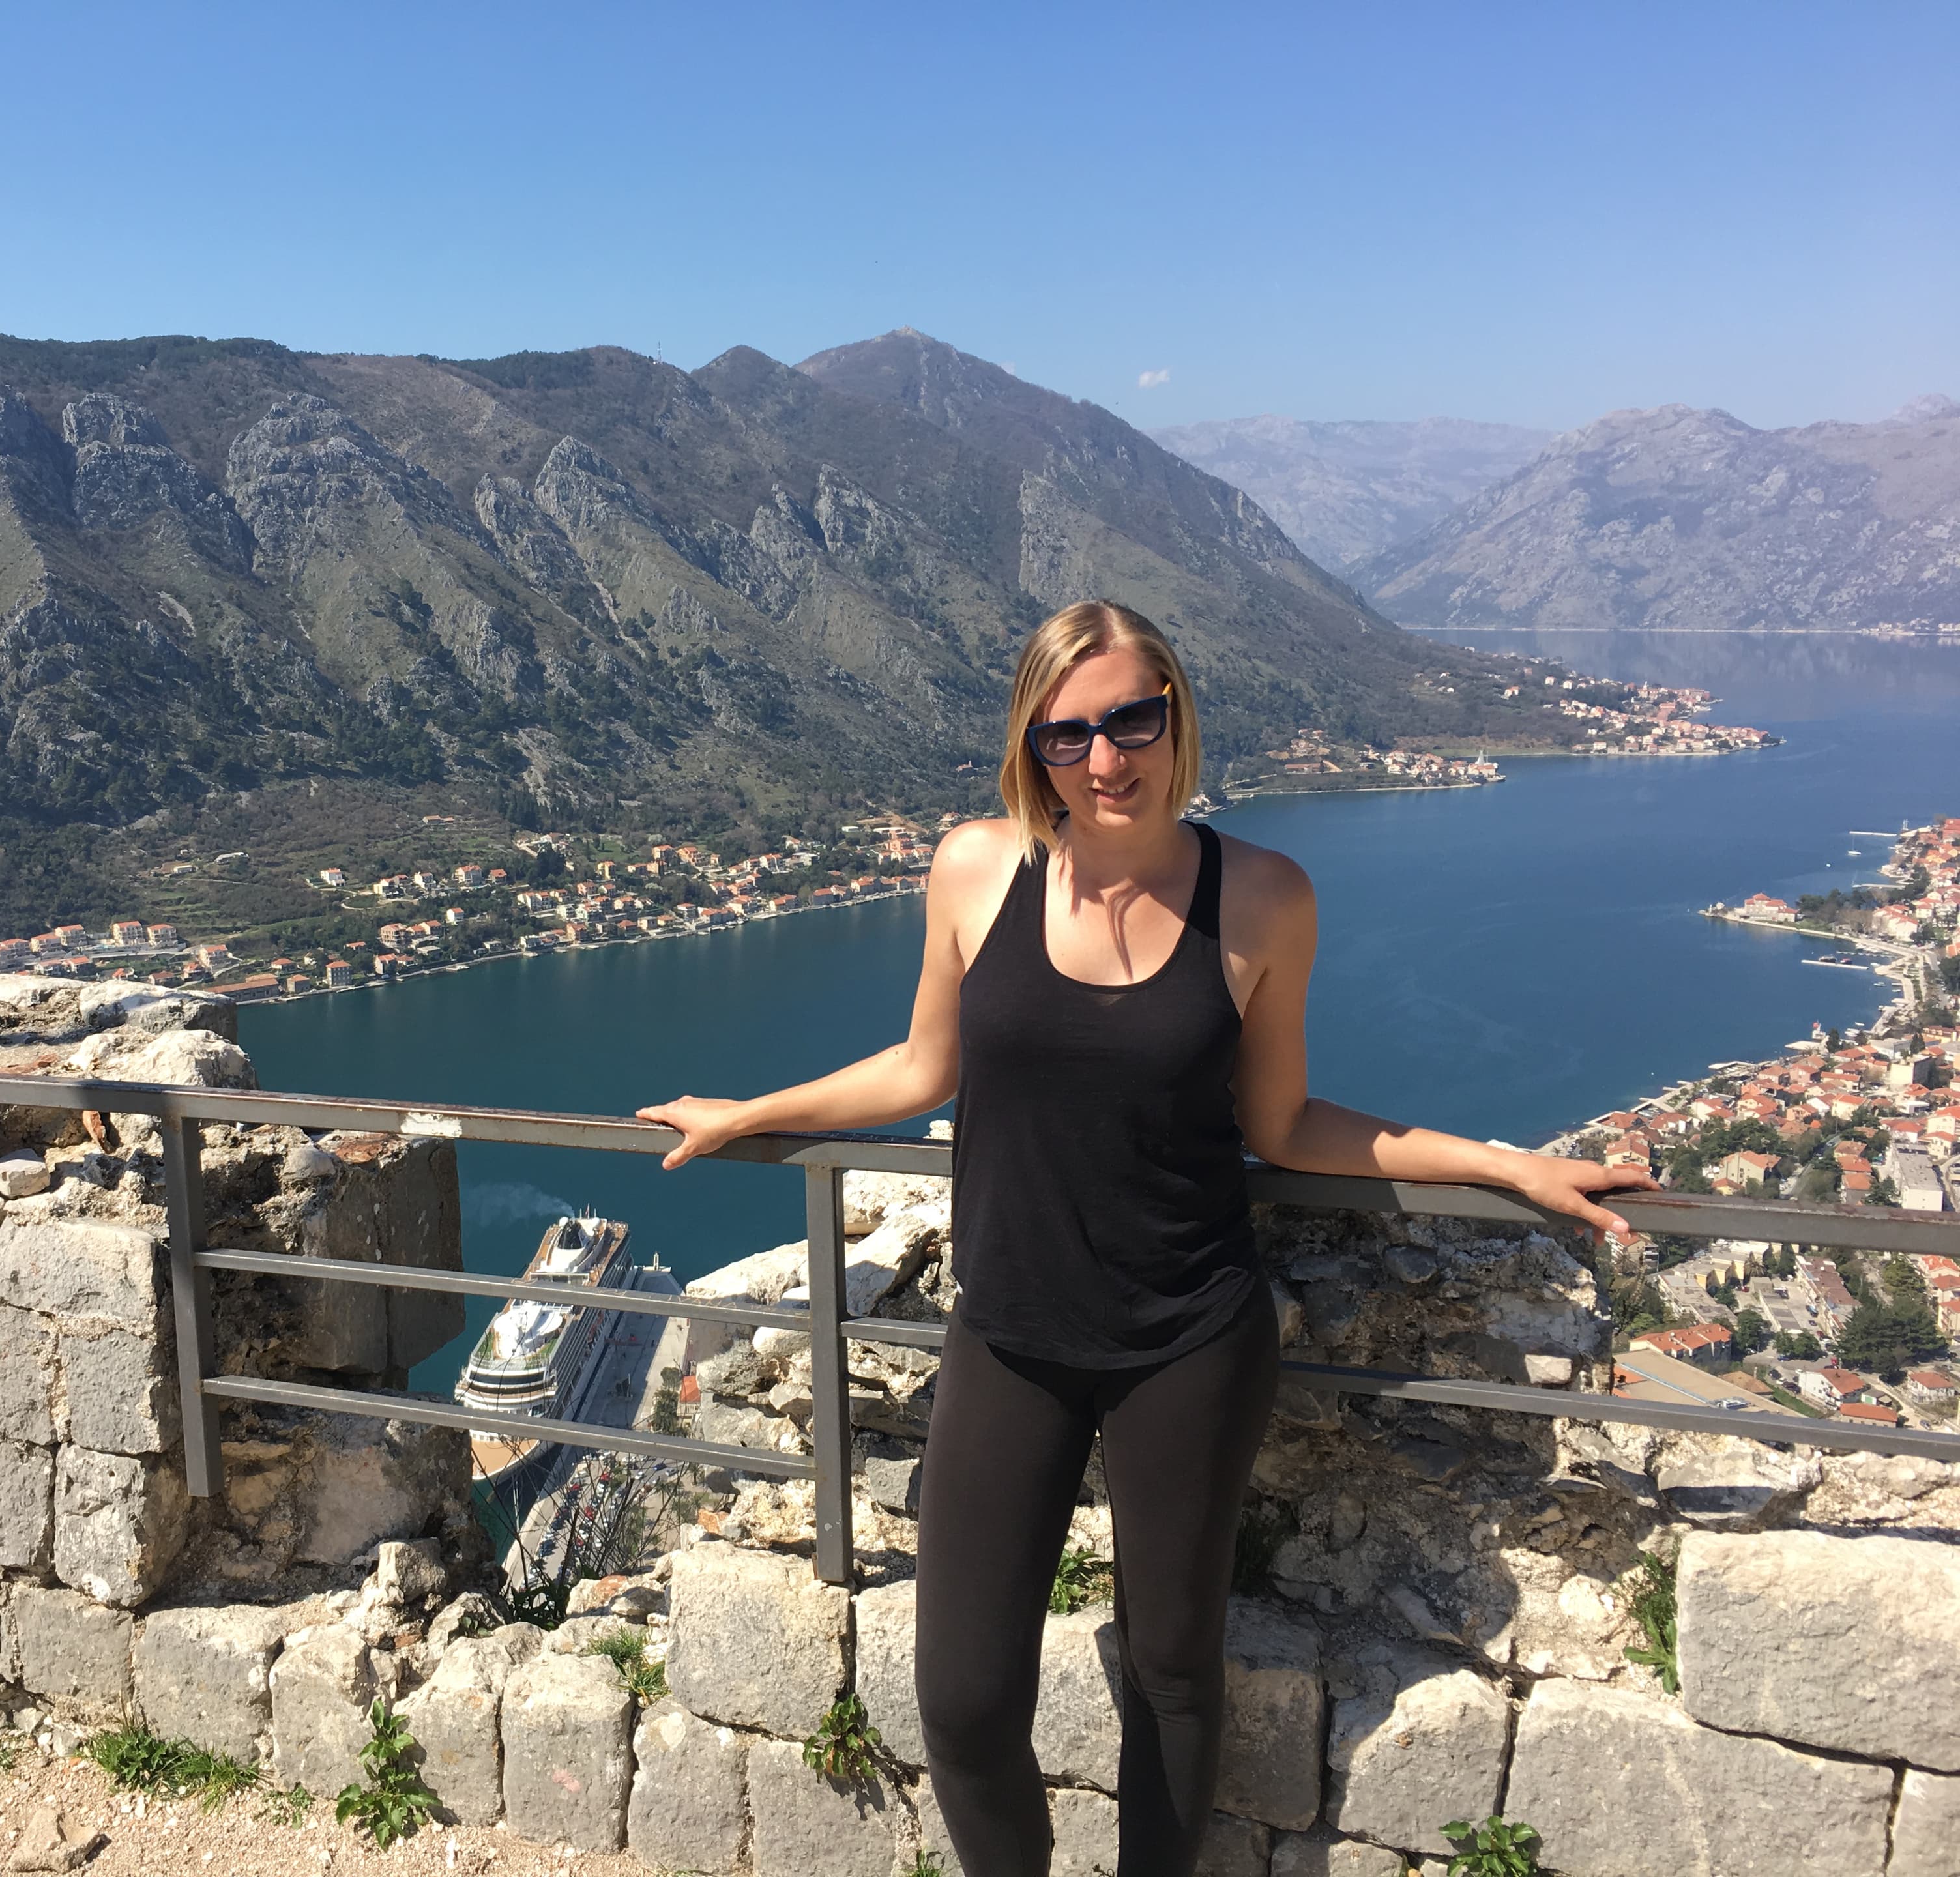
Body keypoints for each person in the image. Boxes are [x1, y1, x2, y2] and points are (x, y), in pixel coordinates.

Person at [639, 600, 1652, 1877]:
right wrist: (751, 1115)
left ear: (1176, 717)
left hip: (1190, 1341)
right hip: (1009, 1333)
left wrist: (1505, 1163)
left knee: (1173, 1675)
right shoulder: (975, 869)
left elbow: (1283, 1125)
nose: (1104, 759)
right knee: (960, 1703)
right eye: (1067, 735)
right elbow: (919, 1066)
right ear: (1032, 747)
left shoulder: (1264, 898)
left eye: (1131, 720)